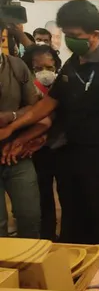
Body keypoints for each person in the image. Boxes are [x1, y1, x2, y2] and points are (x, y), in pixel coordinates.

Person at [0, 0, 99, 261]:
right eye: (67, 35)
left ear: (95, 35)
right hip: (69, 158)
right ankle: (75, 276)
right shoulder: (73, 63)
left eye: (76, 36)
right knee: (72, 222)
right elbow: (49, 103)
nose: (70, 41)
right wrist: (13, 128)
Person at [9, 45, 63, 241]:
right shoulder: (26, 89)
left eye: (49, 67)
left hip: (59, 148)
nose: (45, 73)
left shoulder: (62, 84)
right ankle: (44, 236)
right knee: (41, 197)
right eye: (38, 69)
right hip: (33, 151)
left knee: (66, 195)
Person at [0, 23, 41, 239]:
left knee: (29, 216)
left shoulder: (16, 67)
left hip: (17, 152)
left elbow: (34, 106)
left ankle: (29, 269)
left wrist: (12, 117)